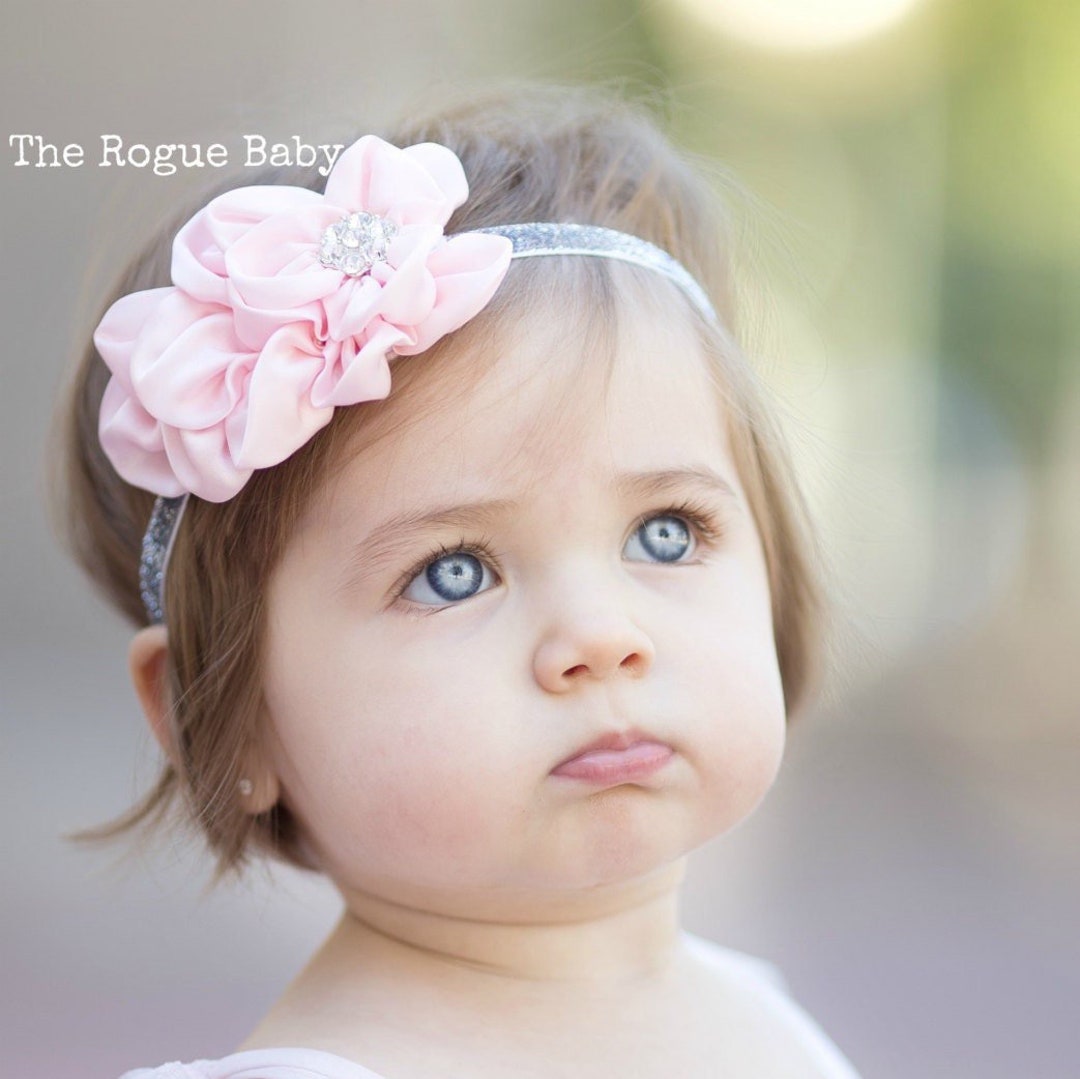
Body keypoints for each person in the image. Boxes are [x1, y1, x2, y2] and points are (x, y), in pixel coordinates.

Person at [55, 84, 861, 1078]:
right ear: (216, 716)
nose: (602, 636)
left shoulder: (764, 1017)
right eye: (452, 571)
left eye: (664, 533)